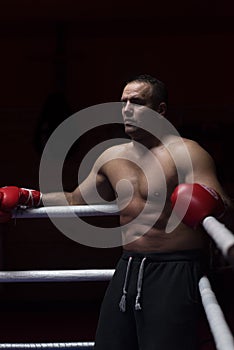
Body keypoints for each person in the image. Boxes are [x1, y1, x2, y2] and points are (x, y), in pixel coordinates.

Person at [0, 74, 233, 349]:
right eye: (123, 102)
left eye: (137, 102)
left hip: (176, 267)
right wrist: (30, 198)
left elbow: (224, 208)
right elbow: (75, 199)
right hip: (128, 266)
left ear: (160, 111)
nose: (127, 110)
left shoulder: (187, 153)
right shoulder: (112, 157)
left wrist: (211, 201)